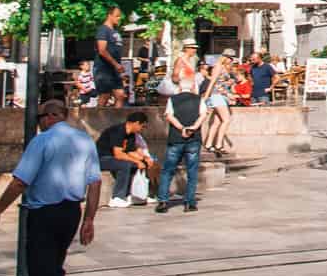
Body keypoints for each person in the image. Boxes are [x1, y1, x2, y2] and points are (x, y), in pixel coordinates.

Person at [0, 99, 101, 276]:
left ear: (49, 117)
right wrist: (89, 220)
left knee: (41, 271)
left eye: (39, 118)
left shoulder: (42, 140)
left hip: (44, 214)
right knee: (54, 265)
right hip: (71, 213)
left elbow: (20, 183)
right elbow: (95, 183)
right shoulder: (85, 140)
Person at [157, 77, 207, 213]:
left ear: (179, 87)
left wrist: (182, 128)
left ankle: (162, 201)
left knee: (168, 170)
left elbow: (169, 116)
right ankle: (189, 202)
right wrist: (192, 128)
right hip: (194, 138)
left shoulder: (172, 100)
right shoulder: (199, 99)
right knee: (192, 171)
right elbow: (203, 115)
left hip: (176, 138)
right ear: (192, 87)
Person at [99, 110, 158, 208]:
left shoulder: (131, 134)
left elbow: (130, 151)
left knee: (139, 164)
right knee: (125, 165)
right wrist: (137, 161)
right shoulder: (117, 131)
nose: (142, 129)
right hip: (103, 158)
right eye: (142, 126)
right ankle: (117, 197)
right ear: (136, 123)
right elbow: (118, 154)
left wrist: (144, 159)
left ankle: (132, 194)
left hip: (115, 159)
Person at [93, 6, 127, 107]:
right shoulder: (103, 30)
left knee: (120, 95)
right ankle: (96, 119)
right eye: (117, 16)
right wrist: (115, 64)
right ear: (109, 16)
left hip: (114, 69)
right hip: (103, 69)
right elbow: (102, 50)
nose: (119, 18)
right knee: (105, 95)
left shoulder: (115, 31)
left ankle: (116, 119)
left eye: (120, 16)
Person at [202, 55, 236, 154]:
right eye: (230, 57)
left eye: (232, 58)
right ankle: (218, 145)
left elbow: (222, 84)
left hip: (222, 96)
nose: (231, 60)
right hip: (217, 96)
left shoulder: (224, 67)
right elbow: (212, 82)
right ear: (224, 57)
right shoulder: (218, 66)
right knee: (226, 119)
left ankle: (208, 144)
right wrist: (206, 97)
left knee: (217, 122)